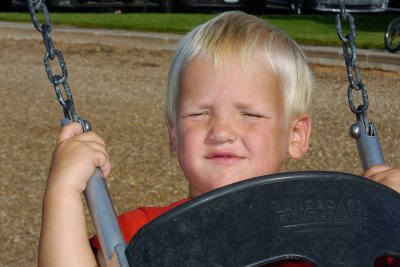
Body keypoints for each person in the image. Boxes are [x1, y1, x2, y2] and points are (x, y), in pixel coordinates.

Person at [38, 11, 400, 267]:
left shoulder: (348, 227)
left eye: (250, 114)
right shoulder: (142, 235)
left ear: (295, 135)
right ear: (174, 135)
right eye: (200, 113)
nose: (222, 132)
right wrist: (64, 192)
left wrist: (392, 213)